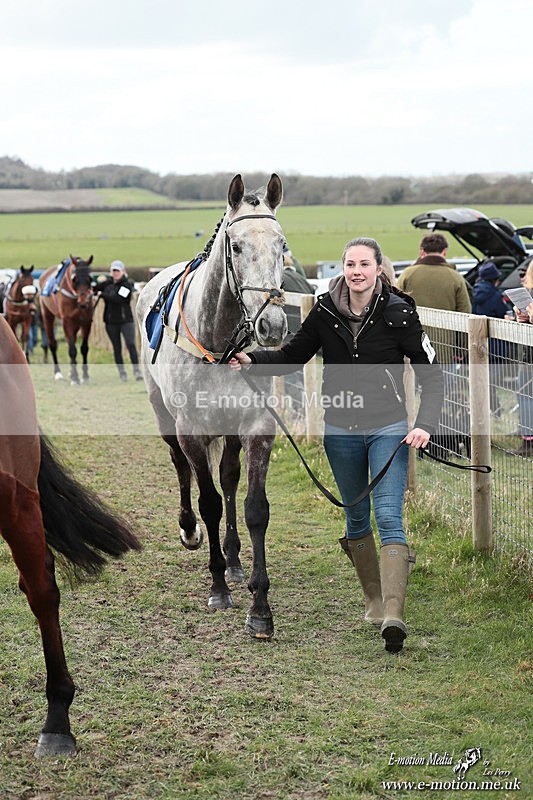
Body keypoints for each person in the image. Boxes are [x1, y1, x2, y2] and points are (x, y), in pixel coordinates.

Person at [230, 237, 444, 653]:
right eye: (350, 264)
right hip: (341, 430)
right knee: (356, 518)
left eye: (365, 263)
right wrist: (252, 360)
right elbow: (294, 355)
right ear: (342, 268)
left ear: (379, 267)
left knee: (389, 516)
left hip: (390, 428)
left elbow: (430, 375)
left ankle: (394, 616)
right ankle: (374, 601)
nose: (357, 270)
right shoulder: (324, 310)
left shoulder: (400, 313)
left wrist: (426, 424)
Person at [397, 233, 472, 313]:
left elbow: (396, 304)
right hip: (447, 325)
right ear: (445, 251)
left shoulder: (407, 274)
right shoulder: (456, 277)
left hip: (413, 324)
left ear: (422, 251)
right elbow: (465, 311)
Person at [472, 262, 509, 417]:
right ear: (495, 279)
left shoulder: (475, 293)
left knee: (481, 377)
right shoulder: (495, 295)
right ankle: (495, 408)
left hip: (478, 340)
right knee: (492, 379)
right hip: (495, 344)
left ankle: (486, 407)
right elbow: (502, 312)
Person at [97, 260, 142, 382]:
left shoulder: (127, 285)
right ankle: (122, 373)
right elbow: (94, 288)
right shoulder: (107, 284)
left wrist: (103, 295)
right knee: (117, 348)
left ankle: (136, 371)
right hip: (111, 322)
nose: (115, 273)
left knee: (131, 345)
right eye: (113, 270)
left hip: (125, 321)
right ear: (111, 272)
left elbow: (119, 299)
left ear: (123, 272)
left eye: (118, 270)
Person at [511, 260, 533, 456]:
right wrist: (523, 318)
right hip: (527, 357)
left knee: (525, 396)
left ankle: (528, 440)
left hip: (529, 359)